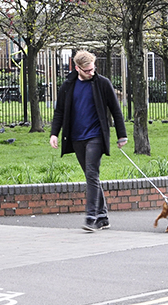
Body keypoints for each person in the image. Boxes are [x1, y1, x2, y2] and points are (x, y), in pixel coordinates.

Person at [49, 50, 128, 232]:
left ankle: (91, 217)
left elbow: (116, 110)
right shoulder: (68, 86)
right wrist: (54, 133)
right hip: (76, 138)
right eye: (87, 70)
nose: (91, 72)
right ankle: (103, 217)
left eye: (93, 69)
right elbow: (59, 111)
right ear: (77, 68)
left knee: (92, 174)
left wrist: (121, 135)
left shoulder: (102, 83)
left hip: (96, 136)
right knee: (91, 176)